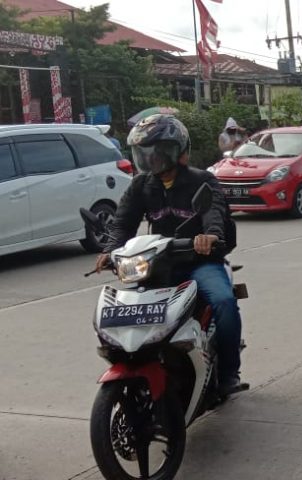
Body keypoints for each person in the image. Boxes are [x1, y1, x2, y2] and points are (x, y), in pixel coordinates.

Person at [96, 114, 246, 395]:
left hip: (199, 262)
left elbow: (214, 213)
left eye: (158, 151)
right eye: (145, 152)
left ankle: (229, 373)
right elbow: (123, 223)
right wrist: (110, 250)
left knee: (225, 303)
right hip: (158, 264)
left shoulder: (203, 181)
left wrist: (209, 237)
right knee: (132, 309)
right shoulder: (141, 185)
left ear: (177, 151)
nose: (151, 159)